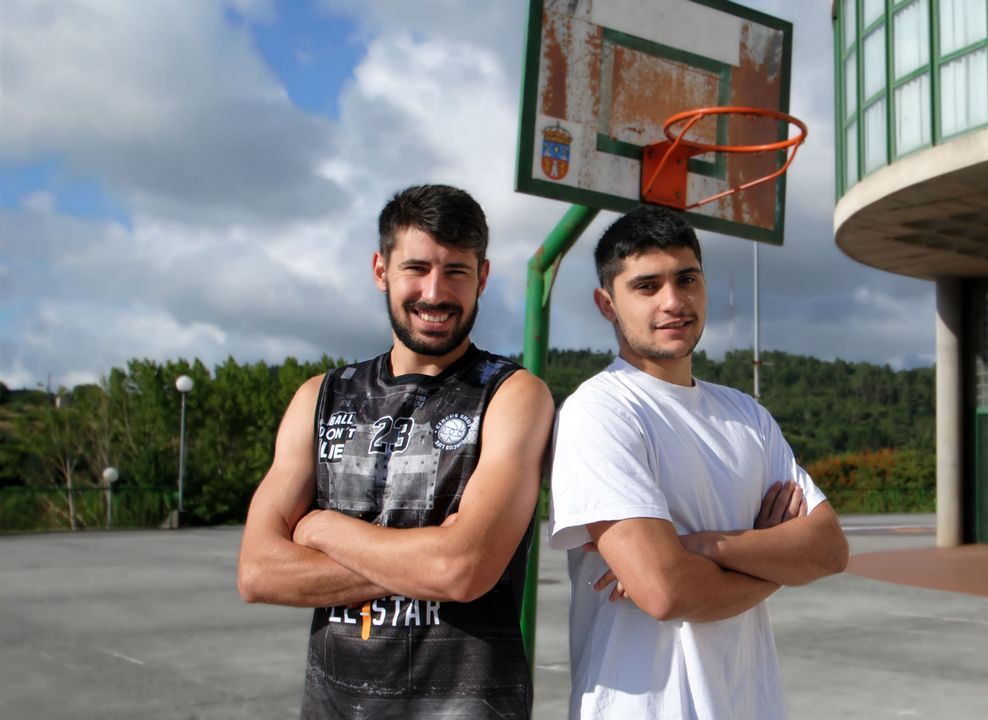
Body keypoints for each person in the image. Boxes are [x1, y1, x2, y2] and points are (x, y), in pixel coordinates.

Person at [237, 184, 555, 719]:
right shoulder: (319, 396)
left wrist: (323, 530)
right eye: (417, 268)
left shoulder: (512, 394)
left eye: (456, 271)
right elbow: (258, 572)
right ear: (380, 270)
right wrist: (426, 560)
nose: (435, 292)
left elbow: (462, 569)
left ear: (483, 277)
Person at [548, 205, 851, 719]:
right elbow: (666, 591)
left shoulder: (747, 415)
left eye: (686, 279)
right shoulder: (600, 411)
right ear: (607, 304)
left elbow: (828, 550)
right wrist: (773, 558)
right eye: (647, 286)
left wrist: (700, 545)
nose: (673, 301)